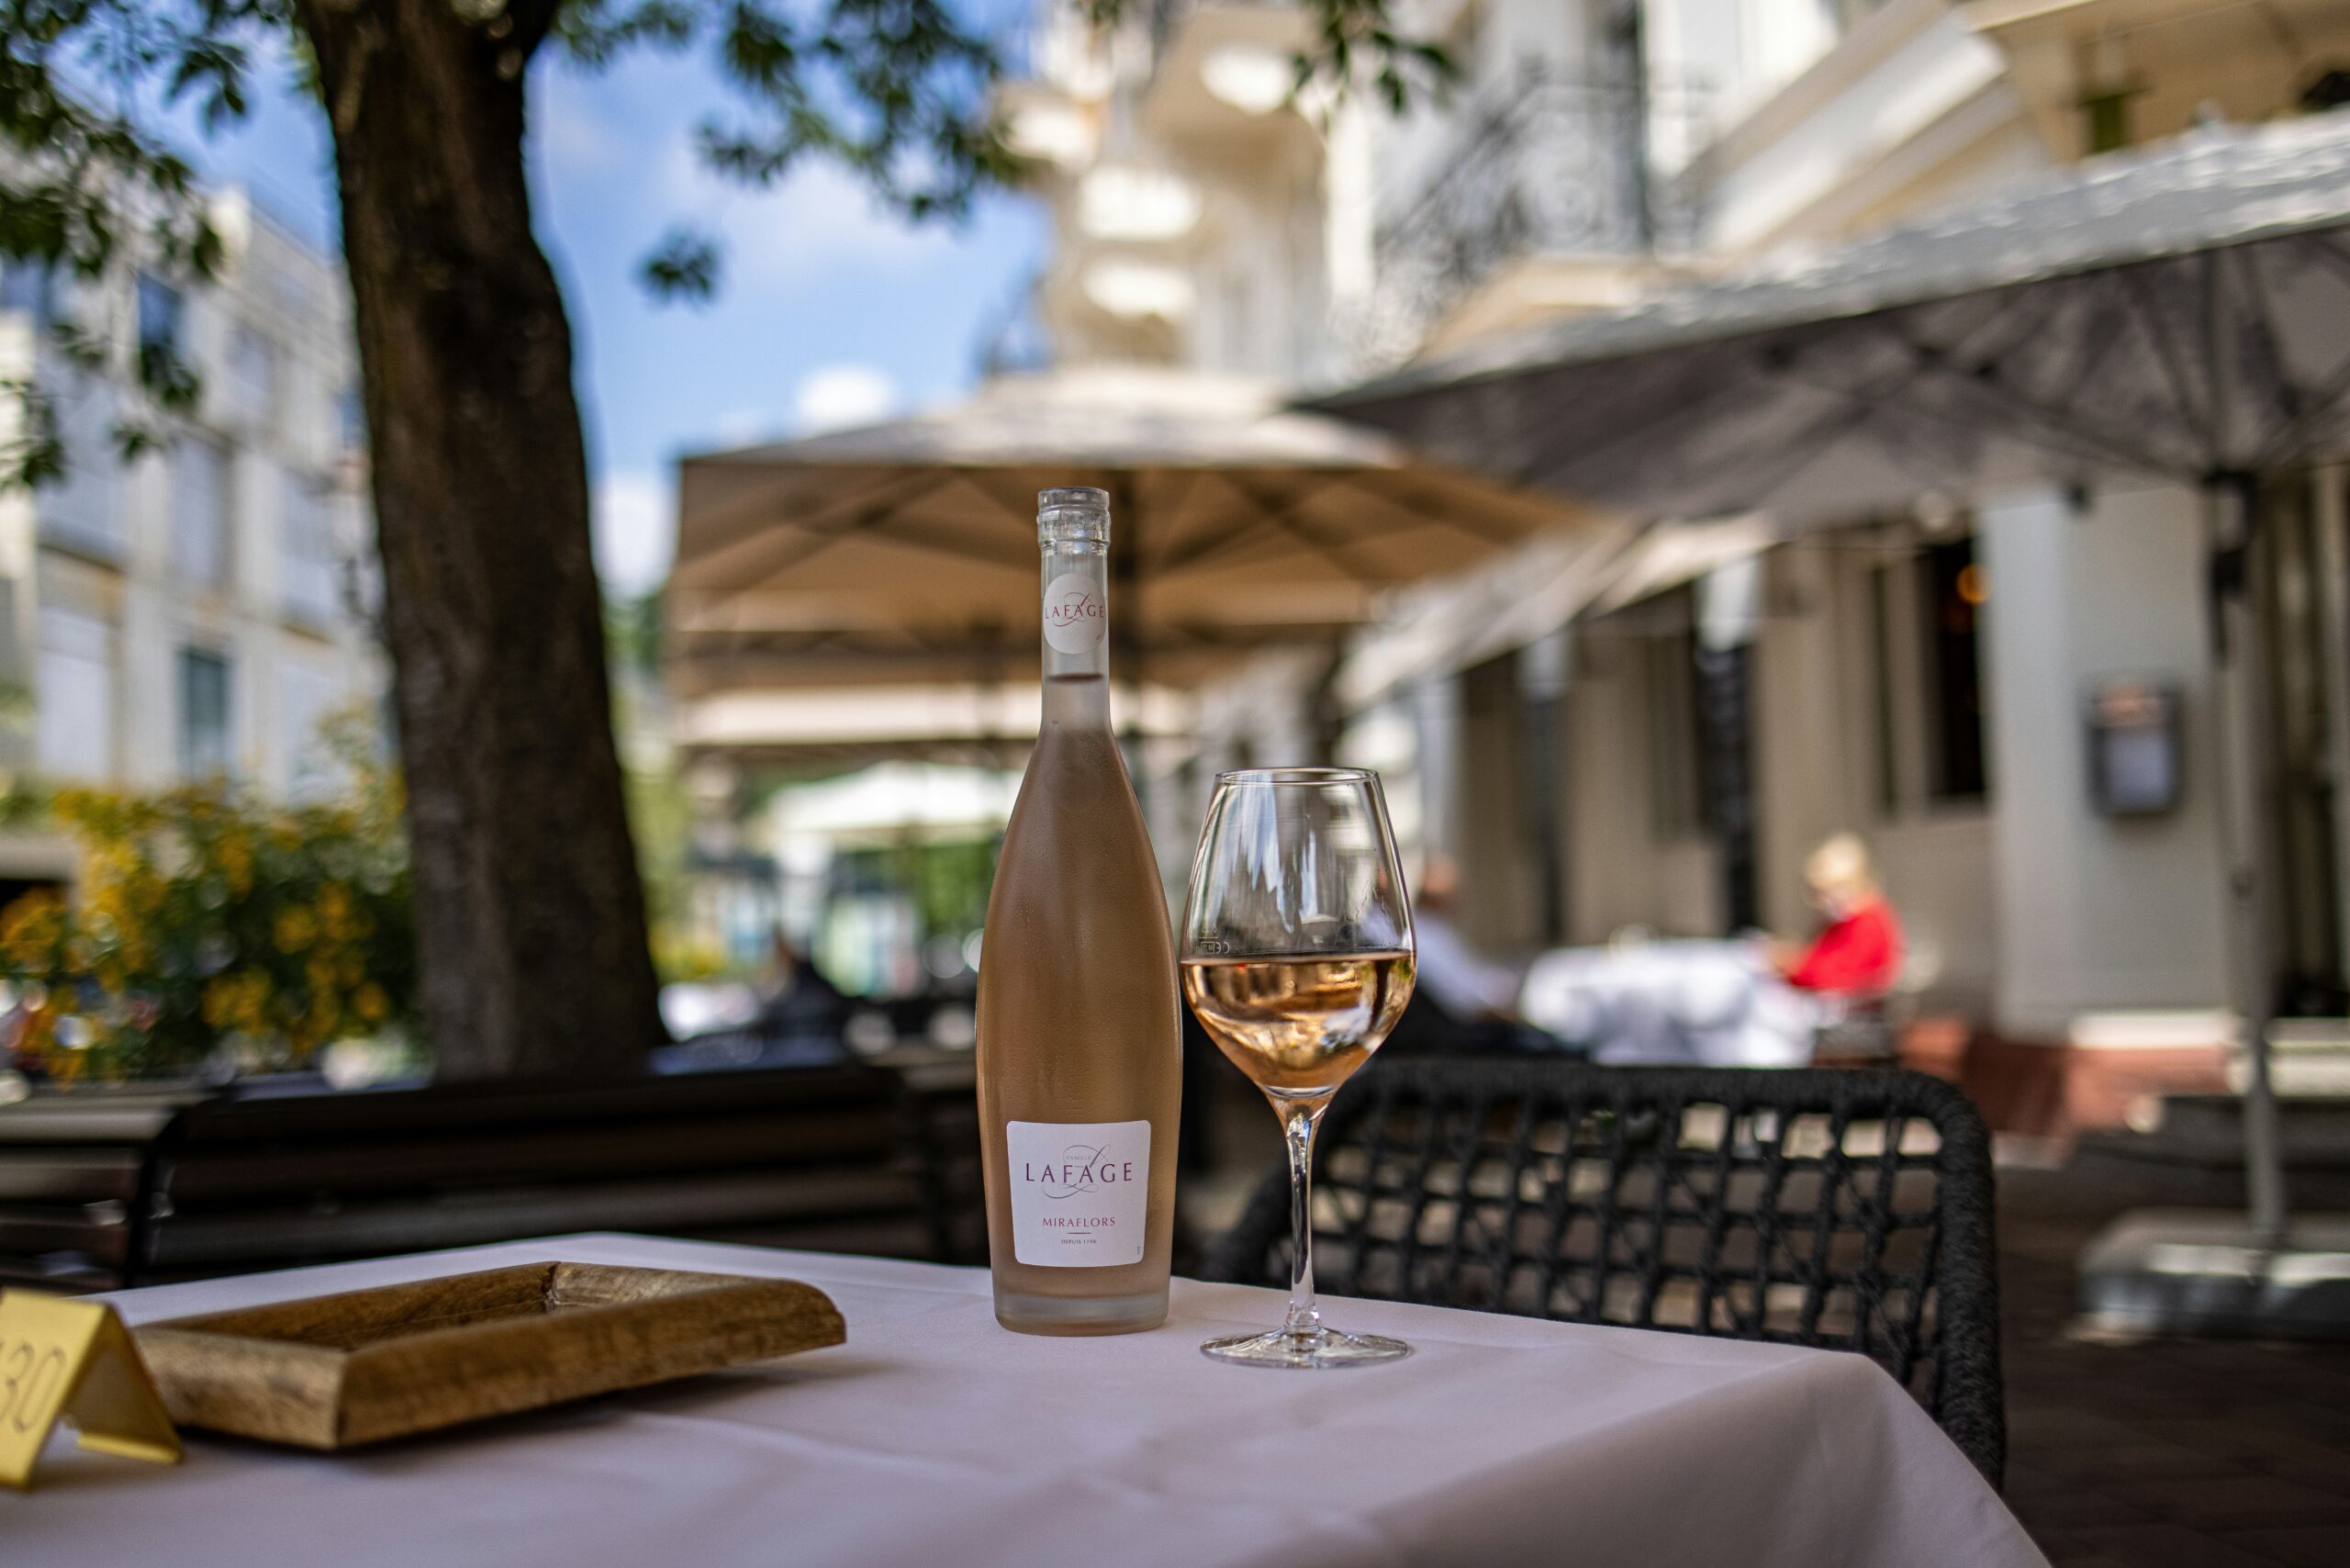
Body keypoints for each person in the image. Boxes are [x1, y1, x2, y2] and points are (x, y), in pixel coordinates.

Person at [1517, 834, 1903, 1067]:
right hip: (1804, 996)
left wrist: (1785, 963)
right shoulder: (1847, 920)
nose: (1821, 899)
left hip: (1827, 1010)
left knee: (1712, 992)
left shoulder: (1867, 920)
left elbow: (1829, 975)